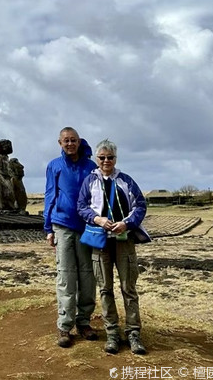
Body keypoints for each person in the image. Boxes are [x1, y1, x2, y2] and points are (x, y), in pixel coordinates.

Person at [77, 139, 151, 356]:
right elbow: (81, 206)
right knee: (105, 288)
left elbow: (140, 205)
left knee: (129, 287)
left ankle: (133, 333)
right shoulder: (89, 181)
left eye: (110, 157)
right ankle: (112, 333)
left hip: (124, 240)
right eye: (102, 157)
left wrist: (126, 223)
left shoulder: (126, 180)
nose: (106, 161)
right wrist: (97, 219)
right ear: (96, 159)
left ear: (115, 159)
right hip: (100, 240)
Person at [44, 127, 98, 347]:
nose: (70, 144)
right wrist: (48, 228)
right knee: (66, 276)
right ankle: (65, 326)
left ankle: (84, 322)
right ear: (60, 143)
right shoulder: (54, 166)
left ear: (79, 141)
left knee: (87, 276)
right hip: (63, 225)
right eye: (66, 140)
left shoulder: (91, 167)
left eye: (73, 140)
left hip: (87, 227)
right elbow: (50, 194)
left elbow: (98, 198)